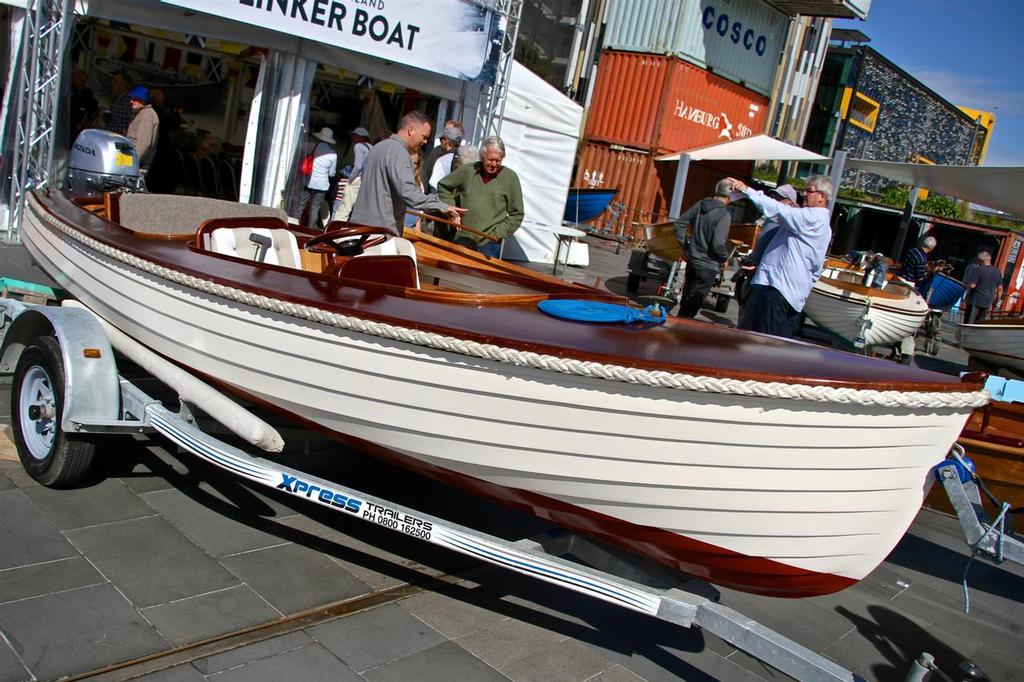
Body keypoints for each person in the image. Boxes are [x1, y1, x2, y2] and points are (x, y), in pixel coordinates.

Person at [732, 175, 833, 338]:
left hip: (775, 290)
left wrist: (747, 191)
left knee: (755, 342)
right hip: (790, 295)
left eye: (809, 191)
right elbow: (816, 267)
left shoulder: (812, 217)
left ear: (822, 196)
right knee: (775, 348)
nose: (804, 195)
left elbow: (780, 211)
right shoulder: (823, 225)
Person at [350, 111, 465, 235]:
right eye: (424, 136)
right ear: (411, 130)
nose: (425, 141)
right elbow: (409, 193)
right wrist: (443, 206)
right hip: (379, 232)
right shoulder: (399, 153)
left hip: (360, 225)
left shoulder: (379, 147)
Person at [437, 135, 524, 258]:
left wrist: (497, 234)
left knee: (482, 276)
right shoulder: (468, 171)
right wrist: (452, 210)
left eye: (498, 160)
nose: (494, 164)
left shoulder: (510, 178)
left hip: (489, 244)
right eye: (490, 160)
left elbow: (517, 214)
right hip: (463, 237)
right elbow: (443, 186)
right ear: (482, 157)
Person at [673, 179, 734, 318]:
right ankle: (679, 334)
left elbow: (679, 224)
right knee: (692, 305)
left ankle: (678, 330)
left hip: (693, 260)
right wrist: (724, 258)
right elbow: (718, 243)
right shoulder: (724, 215)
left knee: (686, 301)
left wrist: (686, 247)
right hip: (708, 265)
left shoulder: (701, 205)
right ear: (729, 197)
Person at [733, 184, 798, 306]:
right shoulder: (769, 219)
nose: (774, 200)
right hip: (754, 273)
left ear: (790, 202)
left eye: (779, 198)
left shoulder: (786, 225)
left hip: (765, 278)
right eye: (773, 196)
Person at [301, 127, 338, 230]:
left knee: (301, 205)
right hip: (322, 185)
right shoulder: (333, 154)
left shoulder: (312, 147)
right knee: (315, 208)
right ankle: (309, 230)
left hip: (309, 181)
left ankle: (295, 225)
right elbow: (331, 173)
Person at [332, 127, 373, 221]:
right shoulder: (371, 147)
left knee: (344, 208)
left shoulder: (358, 146)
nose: (352, 137)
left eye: (354, 135)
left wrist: (350, 179)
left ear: (359, 137)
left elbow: (358, 166)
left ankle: (335, 230)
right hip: (366, 180)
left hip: (357, 179)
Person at [124, 86, 159, 173]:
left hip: (138, 165)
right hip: (135, 162)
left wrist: (128, 164)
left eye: (134, 99)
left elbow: (143, 144)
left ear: (142, 100)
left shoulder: (146, 116)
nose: (131, 101)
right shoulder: (143, 113)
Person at [963, 251, 1003, 323]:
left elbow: (972, 285)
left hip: (975, 300)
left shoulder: (978, 269)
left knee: (969, 323)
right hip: (987, 302)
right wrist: (996, 302)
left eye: (978, 260)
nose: (977, 262)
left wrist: (964, 286)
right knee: (979, 323)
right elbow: (1000, 289)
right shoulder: (998, 272)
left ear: (981, 260)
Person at [423, 120, 463, 189]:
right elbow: (427, 172)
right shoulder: (436, 150)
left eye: (448, 130)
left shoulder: (460, 155)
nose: (445, 132)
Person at [68, 68, 98, 146]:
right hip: (67, 125)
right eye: (80, 79)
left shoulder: (87, 93)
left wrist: (89, 120)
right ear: (73, 78)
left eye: (84, 81)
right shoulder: (67, 90)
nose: (82, 83)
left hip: (79, 129)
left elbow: (94, 108)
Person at [104, 72, 134, 136]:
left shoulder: (128, 101)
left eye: (116, 81)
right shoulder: (116, 99)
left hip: (117, 139)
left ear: (124, 84)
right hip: (109, 136)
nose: (112, 84)